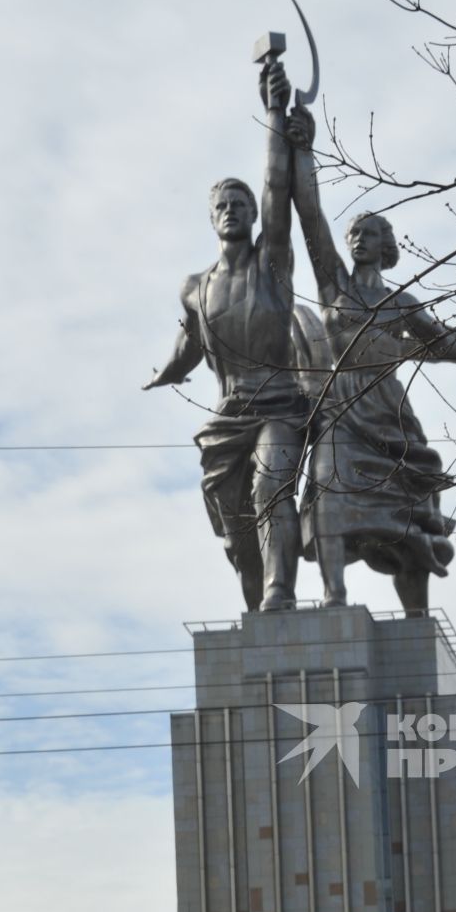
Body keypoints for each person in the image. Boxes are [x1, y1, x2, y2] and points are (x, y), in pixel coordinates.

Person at [286, 102, 456, 614]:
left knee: (408, 517)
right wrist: (303, 152)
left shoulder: (401, 304)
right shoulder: (335, 288)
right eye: (353, 233)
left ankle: (416, 613)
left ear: (386, 246)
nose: (356, 238)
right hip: (339, 408)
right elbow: (310, 215)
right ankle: (334, 599)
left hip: (388, 414)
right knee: (327, 493)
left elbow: (442, 343)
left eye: (368, 232)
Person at [142, 57, 310, 612]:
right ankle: (257, 587)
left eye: (242, 205)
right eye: (223, 205)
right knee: (233, 516)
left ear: (255, 216)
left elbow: (276, 182)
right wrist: (166, 372)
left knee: (271, 487)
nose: (233, 211)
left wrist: (272, 108)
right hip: (228, 413)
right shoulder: (195, 285)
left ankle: (279, 591)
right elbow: (189, 343)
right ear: (211, 218)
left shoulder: (273, 263)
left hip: (281, 403)